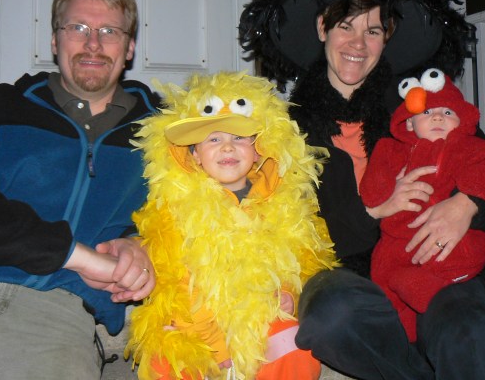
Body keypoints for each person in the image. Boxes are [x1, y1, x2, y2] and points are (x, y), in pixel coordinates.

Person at [239, 0, 485, 380]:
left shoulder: (420, 110)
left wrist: (465, 205)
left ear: (386, 39)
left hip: (434, 261)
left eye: (373, 30)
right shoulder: (287, 130)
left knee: (472, 336)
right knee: (333, 317)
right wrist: (376, 209)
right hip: (342, 274)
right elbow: (293, 230)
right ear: (322, 27)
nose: (358, 43)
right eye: (346, 26)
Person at [0, 0, 159, 380]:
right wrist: (76, 255)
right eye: (77, 27)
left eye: (109, 31)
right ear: (54, 41)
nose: (93, 43)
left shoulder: (163, 134)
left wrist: (142, 244)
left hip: (53, 314)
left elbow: (200, 215)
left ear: (129, 47)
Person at [124, 71, 337, 380]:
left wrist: (289, 294)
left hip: (259, 322)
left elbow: (296, 261)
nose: (227, 147)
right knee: (165, 354)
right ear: (194, 155)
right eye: (214, 139)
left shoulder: (279, 204)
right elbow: (177, 281)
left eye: (239, 138)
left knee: (295, 343)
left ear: (258, 149)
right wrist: (216, 344)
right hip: (198, 328)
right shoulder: (176, 208)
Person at [360, 68, 485, 342]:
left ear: (461, 120)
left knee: (447, 301)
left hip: (450, 247)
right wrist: (381, 197)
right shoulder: (391, 150)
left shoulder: (467, 146)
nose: (437, 117)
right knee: (386, 283)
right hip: (397, 242)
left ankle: (435, 295)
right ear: (409, 124)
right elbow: (372, 192)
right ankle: (401, 343)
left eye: (447, 112)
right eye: (427, 112)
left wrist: (467, 200)